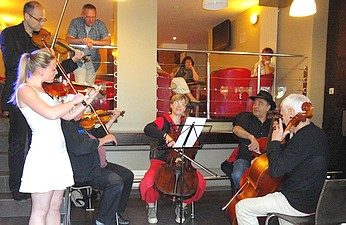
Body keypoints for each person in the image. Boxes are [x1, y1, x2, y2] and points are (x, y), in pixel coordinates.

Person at [0, 0, 84, 201]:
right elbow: (12, 62)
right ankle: (18, 187)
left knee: (36, 141)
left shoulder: (42, 40)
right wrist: (34, 56)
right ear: (27, 16)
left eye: (44, 19)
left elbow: (51, 72)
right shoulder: (9, 35)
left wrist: (71, 62)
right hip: (19, 94)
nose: (42, 23)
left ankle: (36, 183)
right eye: (39, 19)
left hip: (42, 95)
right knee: (18, 141)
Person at [10, 48, 97, 225]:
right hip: (43, 154)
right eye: (53, 68)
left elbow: (67, 116)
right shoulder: (24, 90)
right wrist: (73, 100)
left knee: (55, 206)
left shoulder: (44, 90)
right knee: (40, 210)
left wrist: (87, 100)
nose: (56, 72)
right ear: (40, 70)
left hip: (58, 153)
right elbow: (50, 113)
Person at [236, 94, 329, 225]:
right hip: (314, 200)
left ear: (291, 112)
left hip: (296, 203)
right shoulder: (317, 133)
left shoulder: (301, 139)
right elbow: (294, 160)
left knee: (243, 208)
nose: (281, 116)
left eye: (282, 112)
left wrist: (274, 142)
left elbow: (276, 171)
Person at [140, 94, 206, 224]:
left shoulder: (187, 123)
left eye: (182, 104)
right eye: (176, 102)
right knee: (147, 182)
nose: (179, 105)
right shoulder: (162, 120)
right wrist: (165, 136)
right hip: (162, 161)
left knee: (200, 183)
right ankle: (152, 207)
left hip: (183, 161)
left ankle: (182, 206)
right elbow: (148, 129)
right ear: (170, 105)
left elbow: (197, 143)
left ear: (185, 108)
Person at [62, 109, 133, 225]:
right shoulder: (67, 127)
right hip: (85, 171)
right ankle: (103, 220)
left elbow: (98, 134)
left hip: (98, 165)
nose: (83, 112)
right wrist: (104, 140)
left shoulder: (78, 125)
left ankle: (115, 212)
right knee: (114, 181)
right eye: (81, 108)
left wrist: (112, 119)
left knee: (127, 175)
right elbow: (81, 147)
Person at [231, 90, 276, 192]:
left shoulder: (272, 124)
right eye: (255, 103)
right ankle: (248, 196)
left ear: (268, 107)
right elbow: (236, 129)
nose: (255, 106)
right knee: (237, 175)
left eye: (260, 104)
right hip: (245, 158)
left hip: (265, 162)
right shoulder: (245, 117)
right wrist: (251, 137)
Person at [66, 3, 111, 85]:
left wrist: (93, 42)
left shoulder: (100, 24)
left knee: (90, 87)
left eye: (93, 17)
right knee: (81, 85)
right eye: (88, 17)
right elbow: (68, 39)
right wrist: (83, 41)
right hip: (78, 59)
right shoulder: (75, 22)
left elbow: (108, 41)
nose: (91, 20)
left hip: (93, 60)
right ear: (83, 15)